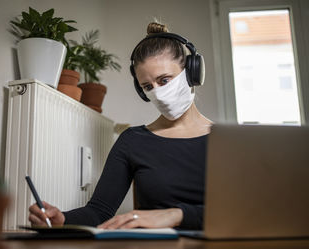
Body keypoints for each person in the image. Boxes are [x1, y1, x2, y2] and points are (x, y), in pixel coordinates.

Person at [29, 22, 213, 230]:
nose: (158, 92)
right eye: (147, 86)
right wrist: (62, 219)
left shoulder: (229, 141)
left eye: (164, 80)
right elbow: (98, 211)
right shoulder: (133, 140)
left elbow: (251, 212)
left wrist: (177, 215)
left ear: (192, 72)